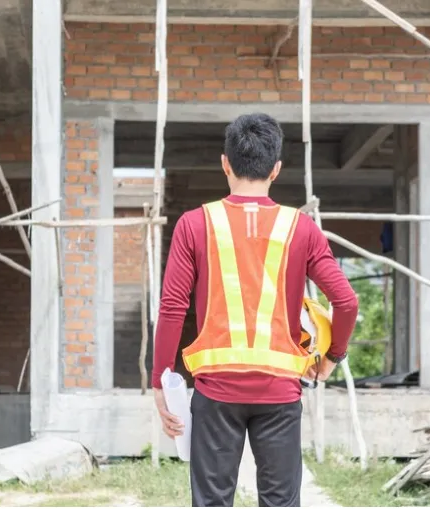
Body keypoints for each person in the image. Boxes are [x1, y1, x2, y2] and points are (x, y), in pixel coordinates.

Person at [151, 113, 359, 507]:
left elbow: (173, 307)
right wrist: (333, 356)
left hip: (215, 389)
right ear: (276, 169)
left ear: (225, 163)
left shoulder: (195, 224)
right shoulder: (301, 227)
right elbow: (346, 301)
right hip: (280, 390)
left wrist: (162, 380)